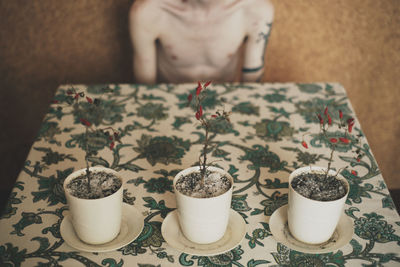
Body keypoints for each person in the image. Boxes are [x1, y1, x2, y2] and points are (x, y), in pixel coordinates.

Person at [129, 0, 274, 84]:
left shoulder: (256, 9)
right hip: (169, 104)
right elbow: (145, 89)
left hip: (224, 105)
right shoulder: (149, 11)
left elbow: (252, 86)